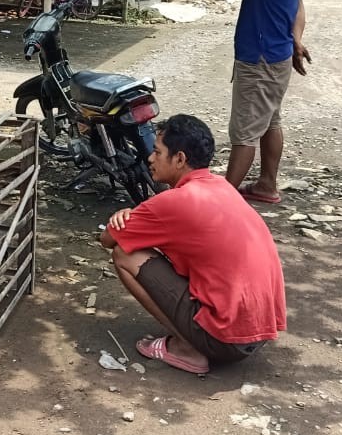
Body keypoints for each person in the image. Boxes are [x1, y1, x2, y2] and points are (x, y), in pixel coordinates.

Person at [101, 114, 286, 375]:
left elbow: (108, 239)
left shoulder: (174, 201)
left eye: (157, 152)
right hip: (260, 333)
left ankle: (188, 348)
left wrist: (122, 214)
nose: (150, 159)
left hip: (226, 342)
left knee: (124, 254)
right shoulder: (222, 187)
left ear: (179, 159)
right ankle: (201, 334)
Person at [219, 0, 310, 206]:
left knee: (244, 130)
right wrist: (296, 39)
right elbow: (297, 5)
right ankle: (266, 184)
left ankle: (223, 199)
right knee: (270, 120)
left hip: (258, 57)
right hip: (277, 54)